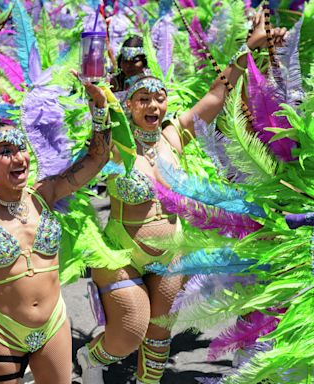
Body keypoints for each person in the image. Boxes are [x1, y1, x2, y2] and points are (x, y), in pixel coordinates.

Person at [76, 12, 287, 384]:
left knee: (159, 338)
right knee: (130, 333)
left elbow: (215, 95)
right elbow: (97, 131)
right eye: (144, 99)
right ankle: (89, 357)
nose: (154, 106)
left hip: (171, 252)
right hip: (122, 253)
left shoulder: (174, 136)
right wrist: (97, 100)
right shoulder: (116, 145)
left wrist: (248, 49)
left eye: (159, 98)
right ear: (128, 105)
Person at [0, 72, 112, 383]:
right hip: (5, 331)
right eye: (5, 152)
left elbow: (97, 158)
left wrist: (99, 106)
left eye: (21, 148)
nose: (18, 158)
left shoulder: (45, 194)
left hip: (53, 324)